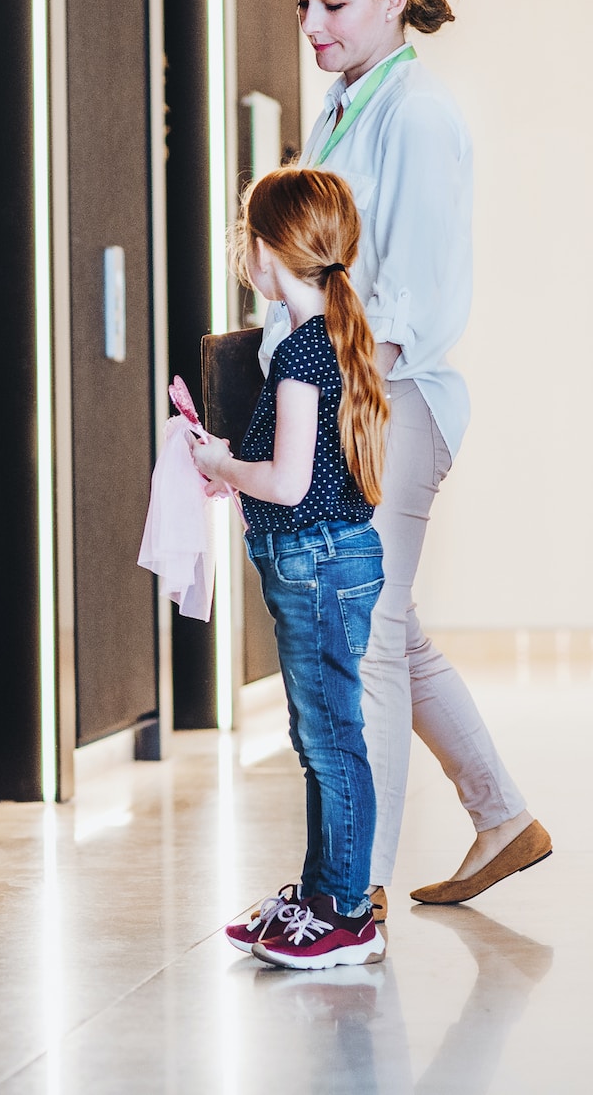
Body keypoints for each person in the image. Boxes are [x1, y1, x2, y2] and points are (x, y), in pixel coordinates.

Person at [259, 0, 550, 909]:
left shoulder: (416, 114)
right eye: (303, 3)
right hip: (349, 395)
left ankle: (355, 894)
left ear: (394, 0)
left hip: (384, 403)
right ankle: (502, 815)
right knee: (391, 625)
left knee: (364, 634)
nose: (313, 24)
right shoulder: (343, 106)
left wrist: (323, 396)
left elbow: (414, 297)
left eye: (334, 3)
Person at [191, 167, 389, 969]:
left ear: (268, 251)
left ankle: (346, 913)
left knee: (330, 740)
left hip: (316, 564)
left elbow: (288, 481)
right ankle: (321, 894)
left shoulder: (304, 351)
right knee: (322, 735)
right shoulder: (325, 336)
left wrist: (221, 459)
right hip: (322, 562)